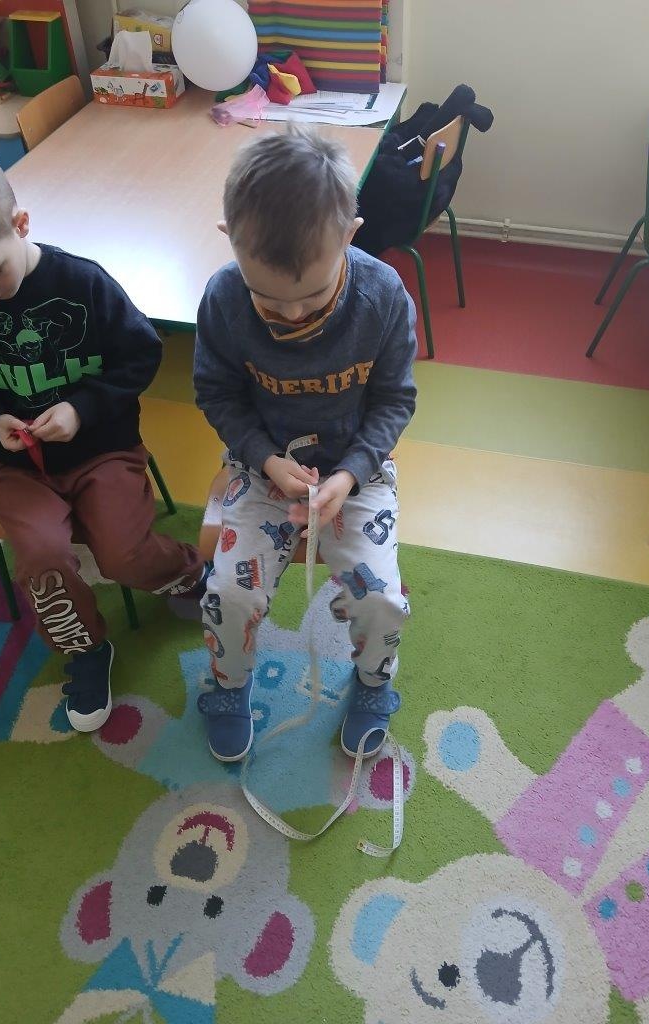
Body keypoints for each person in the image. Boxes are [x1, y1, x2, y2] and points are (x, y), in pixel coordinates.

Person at [0, 139, 207, 732]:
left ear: (21, 224)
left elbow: (141, 353)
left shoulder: (82, 282)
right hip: (18, 467)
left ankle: (191, 573)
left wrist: (80, 408)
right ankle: (86, 649)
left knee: (123, 555)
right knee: (42, 561)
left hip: (102, 450)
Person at [194, 128, 417, 763]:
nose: (292, 315)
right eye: (268, 297)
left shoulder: (383, 296)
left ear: (351, 234)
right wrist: (265, 459)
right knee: (228, 594)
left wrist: (349, 474)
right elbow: (217, 394)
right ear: (230, 238)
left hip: (357, 473)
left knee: (380, 599)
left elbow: (395, 401)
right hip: (261, 468)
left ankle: (373, 684)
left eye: (313, 295)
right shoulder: (224, 298)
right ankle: (229, 687)